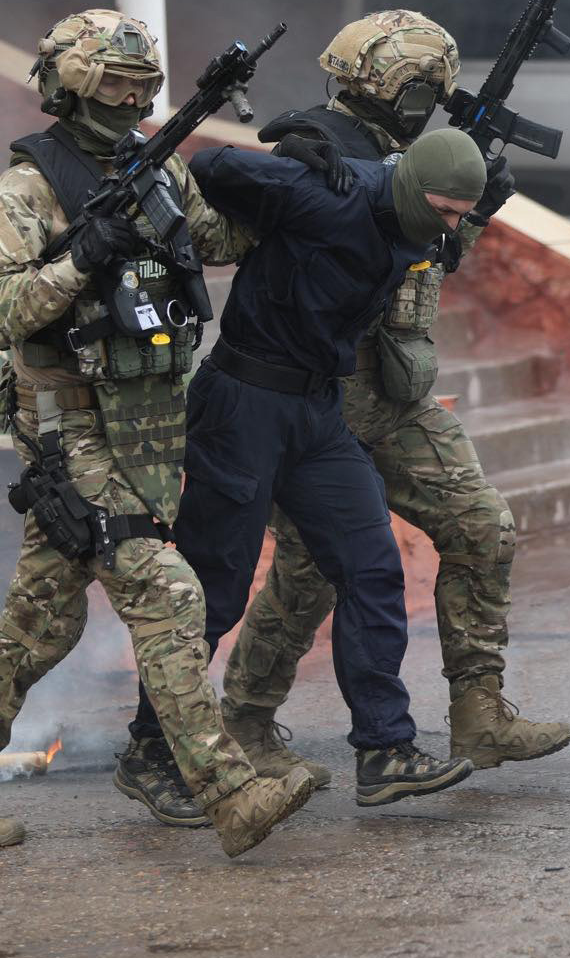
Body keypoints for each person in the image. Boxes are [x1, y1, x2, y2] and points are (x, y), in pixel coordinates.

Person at [0, 9, 314, 859]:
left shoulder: (154, 171)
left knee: (42, 622)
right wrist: (79, 258)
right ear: (70, 85)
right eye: (115, 84)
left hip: (148, 426)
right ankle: (229, 794)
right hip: (68, 430)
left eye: (141, 86)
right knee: (169, 593)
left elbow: (220, 238)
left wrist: (293, 183)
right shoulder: (25, 191)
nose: (131, 100)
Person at [217, 11, 570, 801]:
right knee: (310, 572)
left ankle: (479, 713)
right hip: (318, 395)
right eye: (424, 91)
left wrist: (470, 213)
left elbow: (427, 261)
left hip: (397, 391)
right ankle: (243, 721)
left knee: (482, 525)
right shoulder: (314, 150)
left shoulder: (417, 162)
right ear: (391, 88)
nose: (431, 105)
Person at [121, 126, 489, 809]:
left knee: (372, 567)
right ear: (414, 187)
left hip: (318, 412)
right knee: (217, 586)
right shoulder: (327, 191)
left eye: (459, 216)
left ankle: (385, 749)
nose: (448, 226)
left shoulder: (418, 224)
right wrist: (293, 150)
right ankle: (152, 751)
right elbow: (211, 165)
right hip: (244, 402)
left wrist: (471, 220)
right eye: (444, 211)